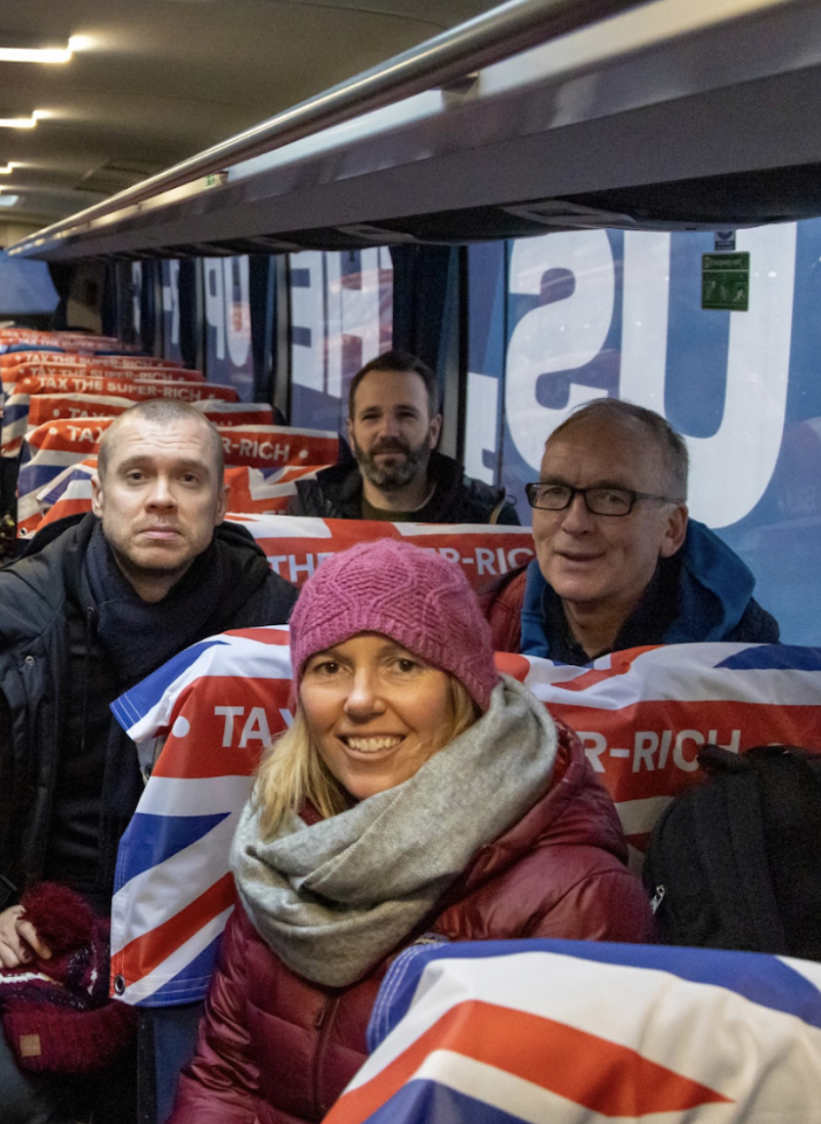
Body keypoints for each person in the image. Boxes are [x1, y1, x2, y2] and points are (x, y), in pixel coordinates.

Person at [0, 399, 298, 1124]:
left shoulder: (283, 632)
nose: (162, 497)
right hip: (45, 915)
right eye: (137, 475)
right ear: (98, 495)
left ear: (222, 503)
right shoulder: (8, 614)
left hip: (222, 930)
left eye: (189, 478)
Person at [169, 539, 652, 1124]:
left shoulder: (578, 898)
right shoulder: (282, 840)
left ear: (463, 687)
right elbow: (224, 1078)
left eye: (402, 664)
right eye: (330, 668)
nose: (360, 700)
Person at [487, 399, 779, 663]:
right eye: (555, 492)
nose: (574, 523)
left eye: (610, 498)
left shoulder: (752, 669)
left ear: (671, 530)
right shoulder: (488, 621)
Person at [288, 351, 517, 524]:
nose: (388, 431)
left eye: (406, 415)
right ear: (352, 433)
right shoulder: (310, 511)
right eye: (371, 416)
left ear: (433, 431)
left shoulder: (490, 518)